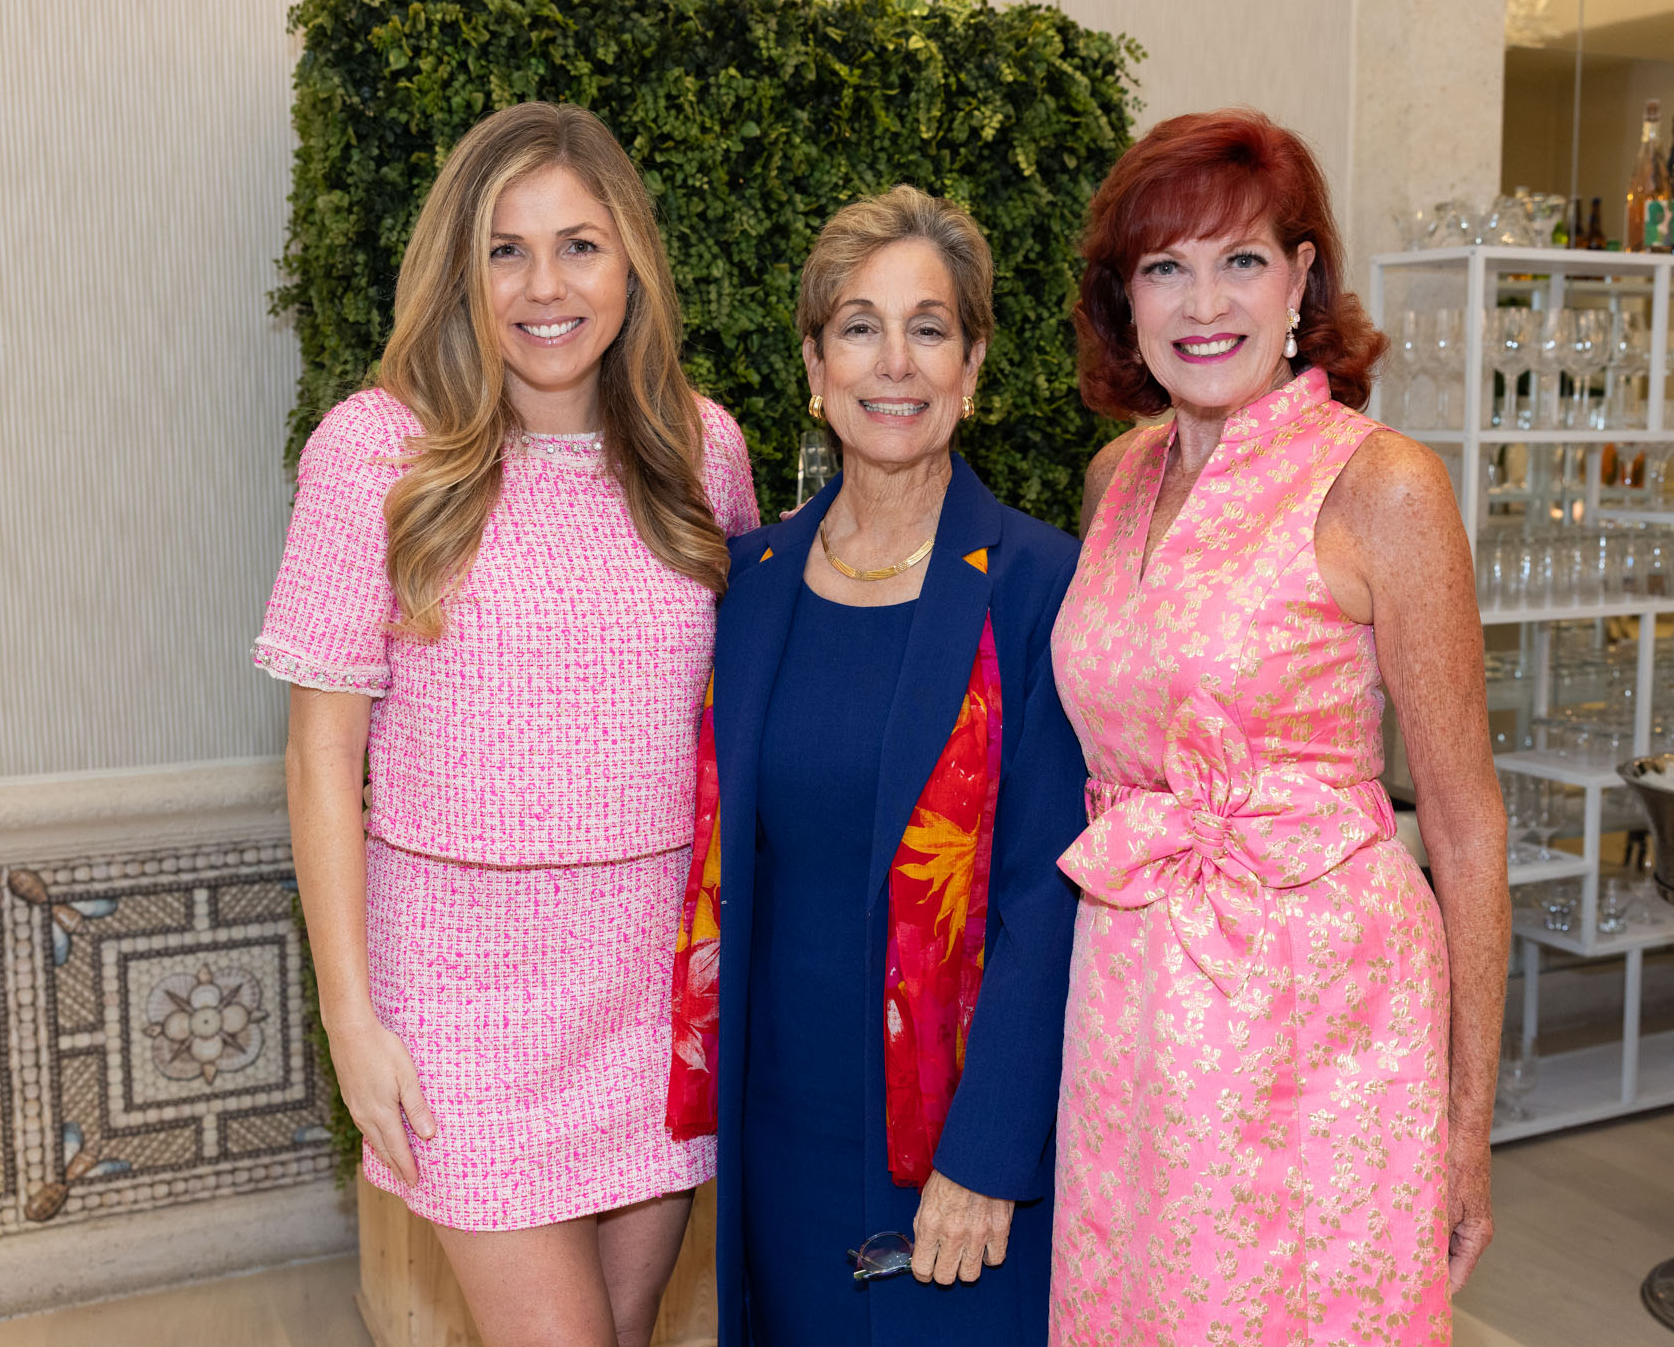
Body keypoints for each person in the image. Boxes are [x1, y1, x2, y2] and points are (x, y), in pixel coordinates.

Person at [254, 102, 759, 1347]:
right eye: (507, 249)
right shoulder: (377, 453)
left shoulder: (706, 448)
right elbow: (323, 752)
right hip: (462, 992)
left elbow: (745, 715)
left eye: (581, 245)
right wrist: (349, 1017)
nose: (547, 285)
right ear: (459, 270)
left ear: (631, 261)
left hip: (655, 983)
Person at [1047, 110, 1510, 1344]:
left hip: (1323, 1024)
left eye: (1242, 260)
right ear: (1125, 302)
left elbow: (1465, 825)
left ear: (1303, 279)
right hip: (1132, 1007)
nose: (1206, 302)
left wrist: (1467, 1129)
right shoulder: (1118, 477)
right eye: (1166, 267)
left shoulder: (1382, 486)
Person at [663, 186, 1086, 1347]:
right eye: (858, 326)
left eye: (930, 327)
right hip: (779, 1136)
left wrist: (990, 1156)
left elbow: (1051, 898)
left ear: (974, 362)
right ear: (813, 361)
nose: (893, 362)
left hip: (958, 1147)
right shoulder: (746, 584)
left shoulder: (1041, 587)